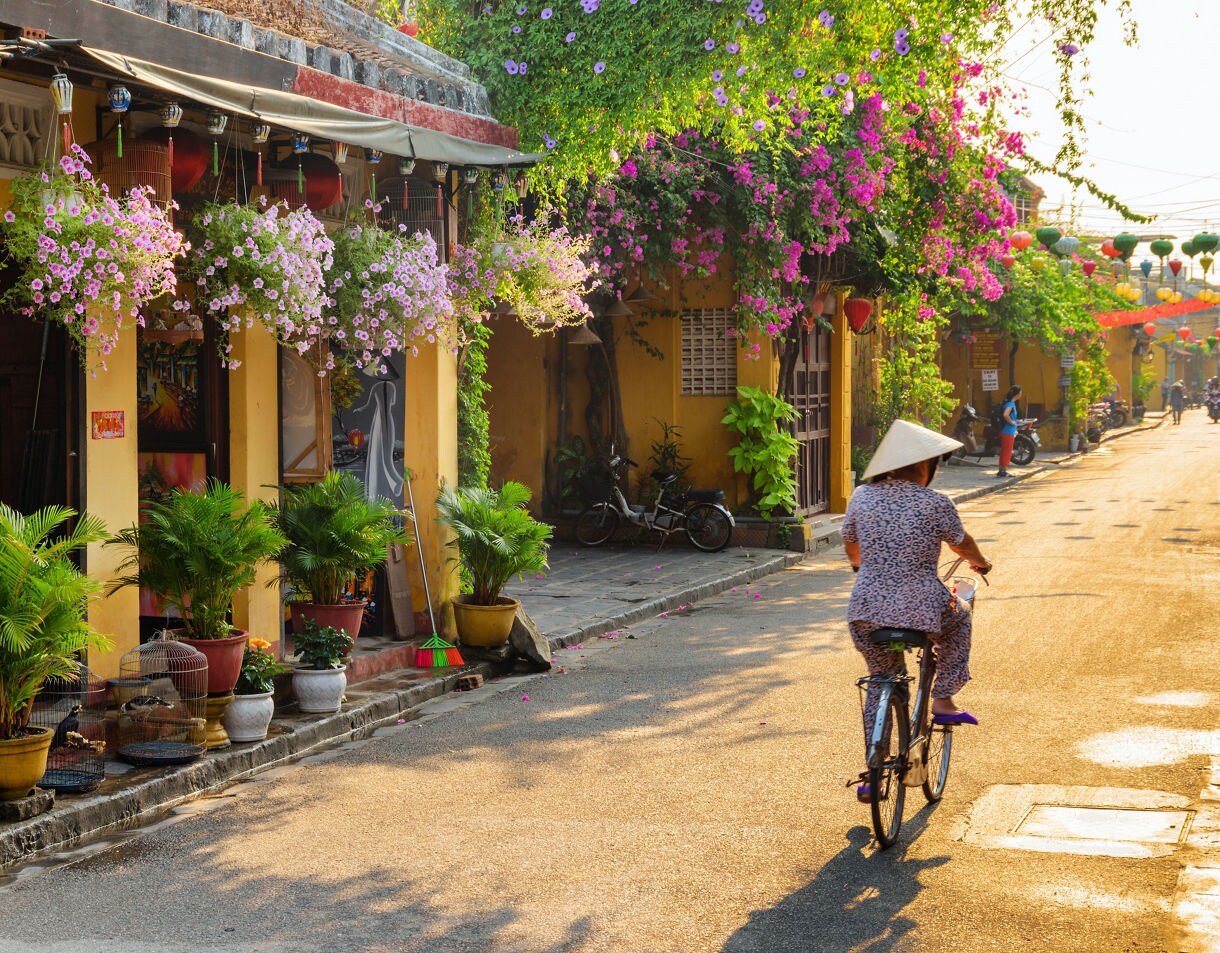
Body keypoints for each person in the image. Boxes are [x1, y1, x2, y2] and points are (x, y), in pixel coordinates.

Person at [842, 420, 992, 803]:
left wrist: (865, 570)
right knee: (959, 618)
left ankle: (873, 774)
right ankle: (942, 698)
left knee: (881, 679)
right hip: (923, 608)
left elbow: (851, 546)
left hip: (865, 610)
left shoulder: (862, 496)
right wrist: (981, 563)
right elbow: (962, 545)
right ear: (926, 467)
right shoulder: (936, 503)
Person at [996, 384, 1021, 478]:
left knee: (1004, 451)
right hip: (1008, 432)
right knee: (1007, 452)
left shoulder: (1007, 403)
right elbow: (1006, 415)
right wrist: (1012, 423)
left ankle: (1001, 470)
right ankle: (1003, 471)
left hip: (1005, 431)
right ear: (1017, 394)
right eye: (1020, 392)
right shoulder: (1010, 404)